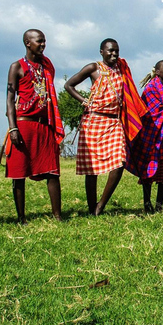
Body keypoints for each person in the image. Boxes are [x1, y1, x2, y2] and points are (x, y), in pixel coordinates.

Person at [65, 39, 147, 215]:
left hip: (113, 121)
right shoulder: (93, 68)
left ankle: (101, 205)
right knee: (91, 168)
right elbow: (68, 85)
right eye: (110, 51)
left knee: (119, 163)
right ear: (101, 52)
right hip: (93, 121)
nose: (114, 54)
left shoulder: (121, 69)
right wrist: (84, 101)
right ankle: (91, 208)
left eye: (116, 51)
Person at [5, 29, 65, 223]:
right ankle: (21, 218)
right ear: (27, 43)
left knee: (52, 171)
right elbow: (10, 99)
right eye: (39, 41)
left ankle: (57, 216)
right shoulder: (17, 67)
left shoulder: (46, 66)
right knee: (19, 173)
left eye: (44, 41)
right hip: (23, 125)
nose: (43, 45)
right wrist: (13, 128)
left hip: (44, 125)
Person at [129, 60, 163, 213]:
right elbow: (146, 112)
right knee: (148, 169)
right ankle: (147, 203)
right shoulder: (150, 89)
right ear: (157, 72)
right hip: (152, 134)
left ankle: (159, 204)